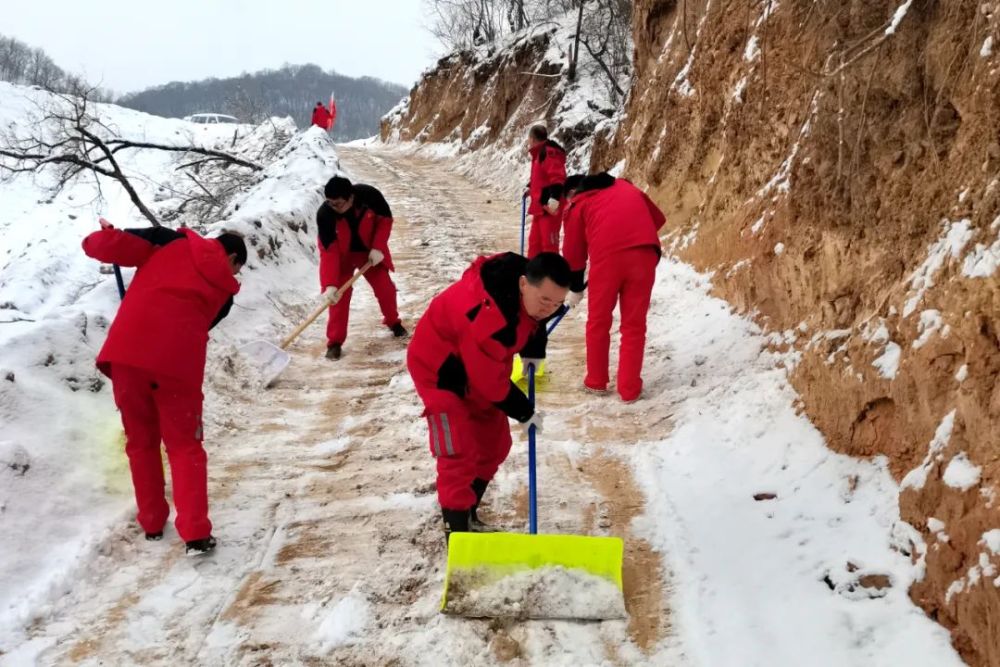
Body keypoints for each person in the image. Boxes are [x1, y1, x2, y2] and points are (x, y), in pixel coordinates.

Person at [81, 218, 247, 555]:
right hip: (176, 368)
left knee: (141, 443)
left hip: (127, 357)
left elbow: (95, 246)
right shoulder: (226, 294)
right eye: (237, 268)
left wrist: (110, 234)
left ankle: (153, 523)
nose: (234, 275)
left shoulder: (168, 241)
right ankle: (196, 533)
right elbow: (202, 323)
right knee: (185, 447)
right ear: (231, 257)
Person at [407, 252, 570, 535]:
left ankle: (469, 510)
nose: (549, 308)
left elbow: (536, 320)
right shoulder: (487, 317)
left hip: (479, 364)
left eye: (557, 302)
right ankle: (457, 531)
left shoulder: (530, 290)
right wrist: (523, 411)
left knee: (494, 444)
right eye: (545, 300)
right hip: (439, 370)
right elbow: (491, 383)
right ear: (523, 284)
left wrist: (533, 350)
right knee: (457, 450)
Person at [561, 173, 666, 403]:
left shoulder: (578, 204)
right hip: (645, 254)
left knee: (598, 320)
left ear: (571, 193)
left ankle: (596, 381)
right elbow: (656, 219)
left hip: (608, 261)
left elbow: (573, 252)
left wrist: (576, 286)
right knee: (634, 325)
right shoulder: (626, 186)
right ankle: (629, 390)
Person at [317, 176, 406, 359]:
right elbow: (329, 252)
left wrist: (378, 247)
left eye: (339, 204)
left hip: (368, 252)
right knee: (338, 299)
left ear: (351, 198)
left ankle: (393, 322)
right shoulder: (325, 215)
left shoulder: (370, 197)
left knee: (385, 288)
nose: (334, 208)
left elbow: (385, 221)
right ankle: (334, 342)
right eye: (330, 203)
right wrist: (330, 285)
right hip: (341, 256)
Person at [524, 125, 567, 257]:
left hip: (549, 208)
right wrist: (531, 188)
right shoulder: (539, 153)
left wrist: (554, 199)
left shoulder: (548, 153)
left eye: (529, 139)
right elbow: (543, 177)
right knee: (534, 244)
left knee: (549, 246)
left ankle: (550, 276)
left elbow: (558, 178)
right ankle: (533, 275)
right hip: (540, 207)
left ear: (532, 139)